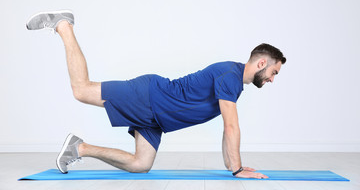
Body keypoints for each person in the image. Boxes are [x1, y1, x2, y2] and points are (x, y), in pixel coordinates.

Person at [26, 10, 286, 179]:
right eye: (274, 72)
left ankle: (79, 148)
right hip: (150, 96)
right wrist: (239, 169)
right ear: (262, 63)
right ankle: (64, 26)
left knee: (141, 164)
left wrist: (234, 168)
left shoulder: (234, 82)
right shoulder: (231, 76)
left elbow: (227, 129)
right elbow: (231, 127)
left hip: (157, 119)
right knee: (81, 89)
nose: (273, 79)